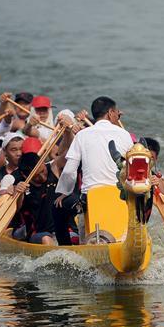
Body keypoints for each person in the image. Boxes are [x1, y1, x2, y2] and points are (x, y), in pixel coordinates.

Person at [54, 96, 134, 245]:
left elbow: (69, 171)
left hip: (90, 197)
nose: (118, 115)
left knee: (57, 206)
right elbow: (132, 167)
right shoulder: (125, 134)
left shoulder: (82, 135)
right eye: (116, 112)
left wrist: (64, 192)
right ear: (110, 113)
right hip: (120, 195)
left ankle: (65, 247)